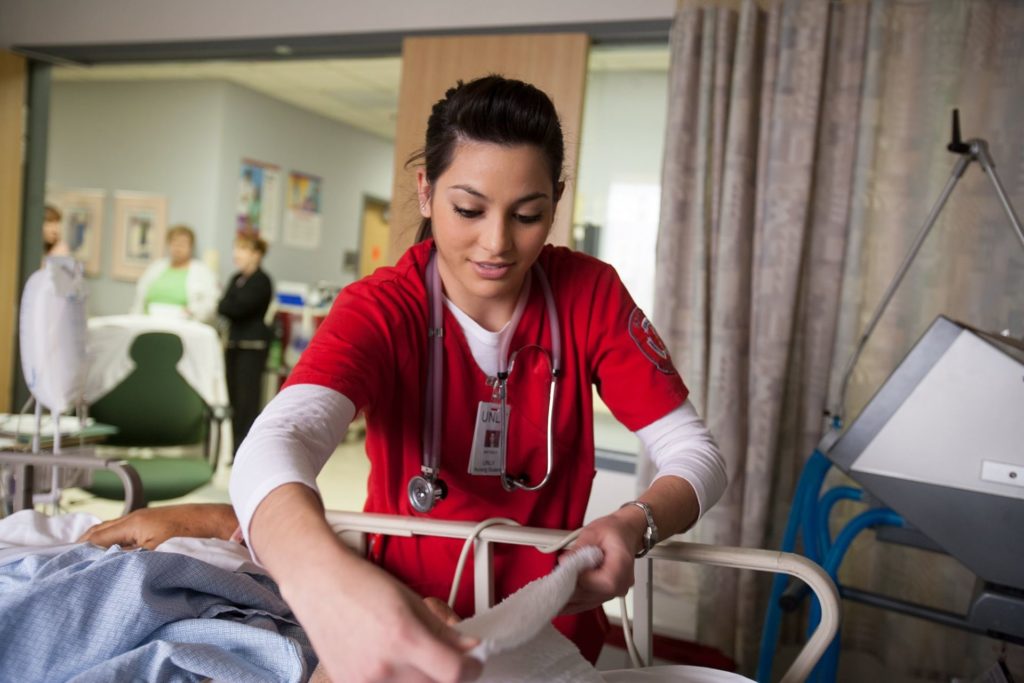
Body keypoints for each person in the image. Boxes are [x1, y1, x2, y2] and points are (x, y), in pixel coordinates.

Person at [83, 76, 727, 683]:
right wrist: (323, 583)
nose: (496, 242)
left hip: (545, 632)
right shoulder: (384, 306)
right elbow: (279, 439)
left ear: (556, 200)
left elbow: (696, 457)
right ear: (426, 191)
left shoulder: (590, 297)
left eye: (527, 214)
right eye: (469, 209)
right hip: (399, 613)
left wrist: (637, 521)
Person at [218, 230, 274, 458]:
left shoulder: (262, 281)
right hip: (233, 345)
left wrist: (230, 306)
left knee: (247, 402)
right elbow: (223, 306)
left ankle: (245, 450)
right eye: (236, 248)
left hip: (252, 348)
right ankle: (232, 447)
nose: (236, 254)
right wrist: (229, 306)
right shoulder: (235, 279)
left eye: (243, 249)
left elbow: (237, 308)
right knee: (232, 398)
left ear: (257, 254)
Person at [130, 224, 219, 323]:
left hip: (183, 326)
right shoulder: (156, 267)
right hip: (148, 323)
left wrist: (193, 311)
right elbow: (139, 299)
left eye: (183, 243)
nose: (178, 247)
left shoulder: (202, 271)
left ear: (191, 247)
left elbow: (211, 303)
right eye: (174, 242)